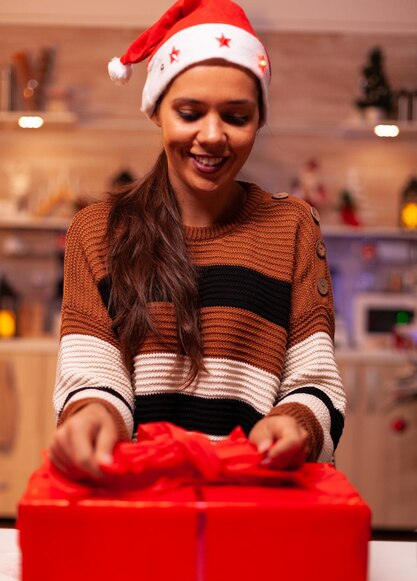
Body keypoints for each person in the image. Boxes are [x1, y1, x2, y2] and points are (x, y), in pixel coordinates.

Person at [49, 0, 346, 480]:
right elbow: (93, 378)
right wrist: (93, 420)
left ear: (259, 121)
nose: (212, 136)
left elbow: (314, 382)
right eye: (189, 112)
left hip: (254, 500)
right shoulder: (97, 231)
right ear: (157, 112)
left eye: (236, 116)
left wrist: (297, 425)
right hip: (141, 501)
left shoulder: (293, 226)